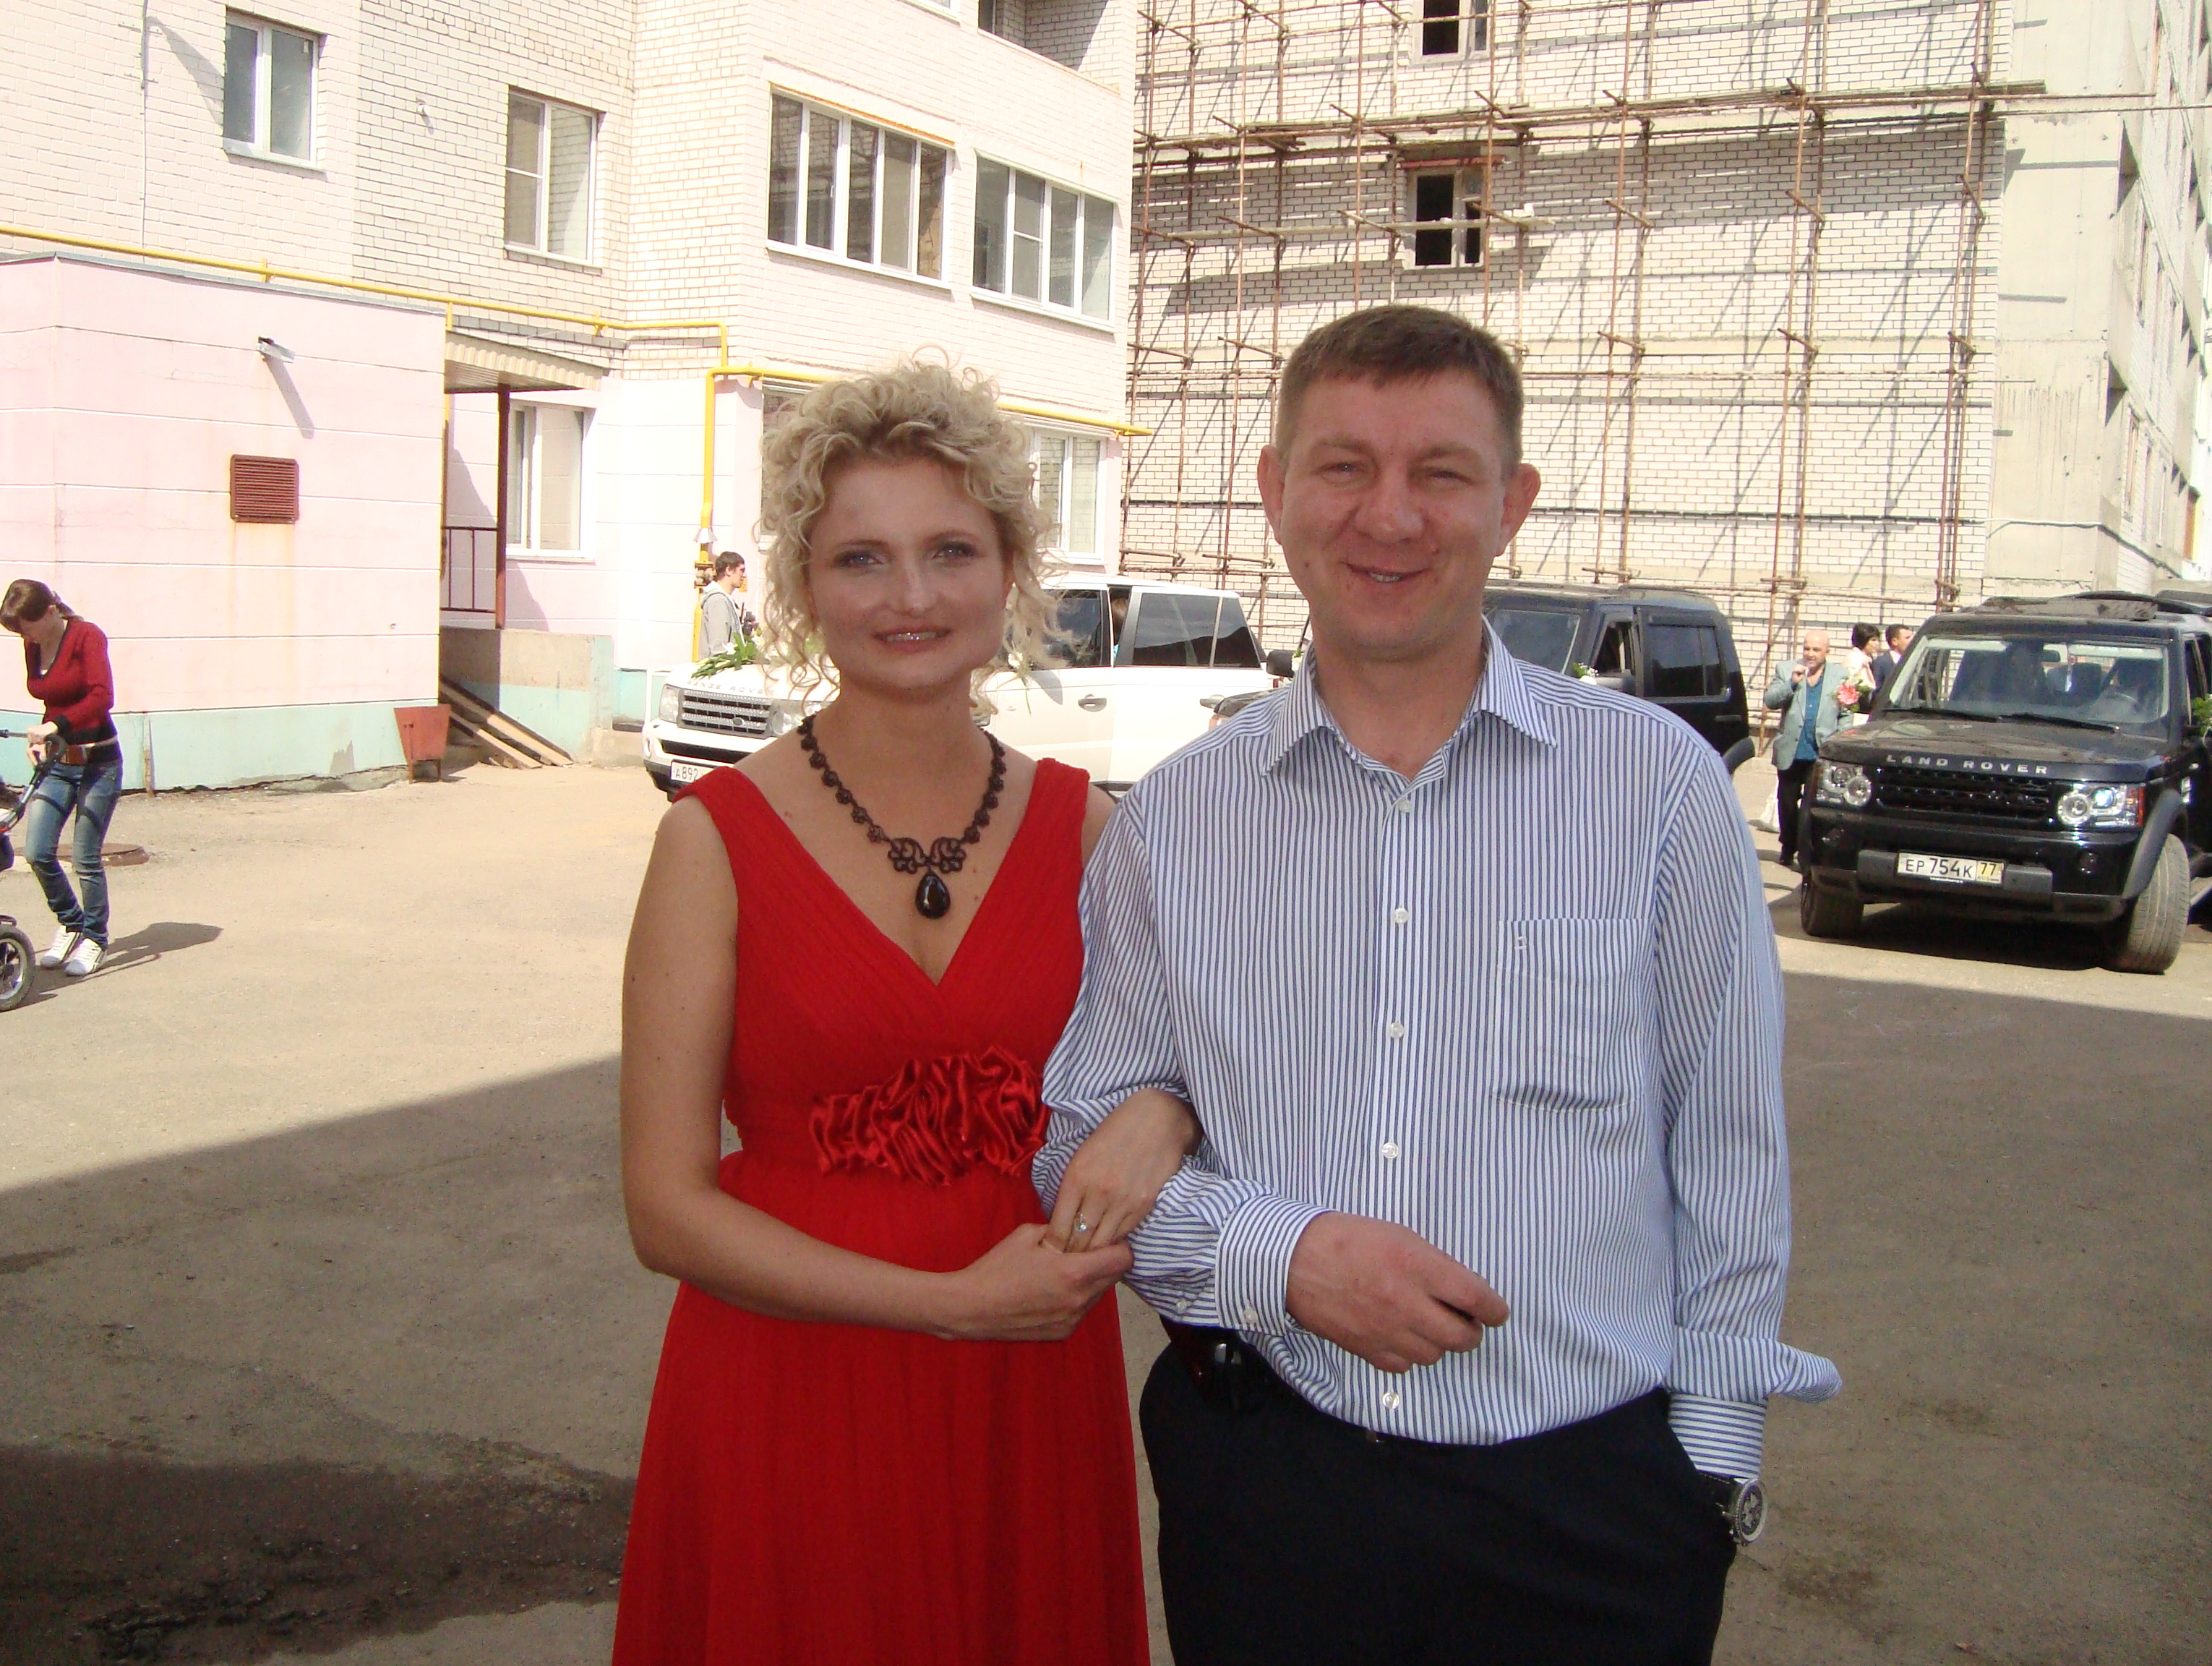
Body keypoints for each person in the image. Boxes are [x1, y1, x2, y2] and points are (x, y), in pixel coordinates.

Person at [1039, 304, 1838, 1666]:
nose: (1390, 516)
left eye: (1442, 472)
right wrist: (1284, 1253)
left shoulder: (1654, 786)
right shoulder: (1174, 823)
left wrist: (1706, 1471)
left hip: (1595, 1504)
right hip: (1275, 1483)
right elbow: (1077, 1150)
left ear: (1512, 502)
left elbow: (1727, 1144)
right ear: (1275, 491)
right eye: (1343, 466)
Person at [614, 363, 1180, 1666]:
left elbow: (1181, 1071)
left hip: (1026, 1376)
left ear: (1010, 571)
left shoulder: (1090, 830)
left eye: (950, 551)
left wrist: (1165, 1111)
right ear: (804, 587)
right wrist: (945, 1303)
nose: (910, 596)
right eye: (861, 558)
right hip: (793, 1377)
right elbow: (664, 1207)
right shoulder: (711, 840)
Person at [0, 580, 119, 978]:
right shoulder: (33, 644)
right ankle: (72, 923)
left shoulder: (87, 636)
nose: (24, 637)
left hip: (98, 762)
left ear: (50, 611)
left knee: (85, 857)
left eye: (27, 627)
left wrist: (55, 726)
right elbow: (52, 697)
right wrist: (42, 739)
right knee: (37, 851)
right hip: (59, 761)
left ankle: (96, 938)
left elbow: (101, 697)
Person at [1765, 628, 1846, 871]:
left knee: (1809, 808)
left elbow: (1846, 713)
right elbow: (1770, 701)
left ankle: (1805, 853)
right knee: (1788, 804)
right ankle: (1787, 845)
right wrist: (1792, 682)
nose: (1810, 654)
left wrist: (1839, 741)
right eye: (1807, 648)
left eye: (1816, 650)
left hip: (1819, 752)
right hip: (1791, 750)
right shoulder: (1787, 669)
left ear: (1827, 652)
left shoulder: (1840, 676)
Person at [698, 549, 758, 654]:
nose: (744, 575)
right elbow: (719, 649)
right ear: (729, 570)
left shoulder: (723, 599)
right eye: (742, 570)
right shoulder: (718, 601)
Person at [1870, 622, 1912, 692]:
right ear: (1894, 641)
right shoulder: (1881, 663)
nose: (1912, 641)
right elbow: (1876, 691)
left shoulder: (1914, 660)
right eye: (1907, 638)